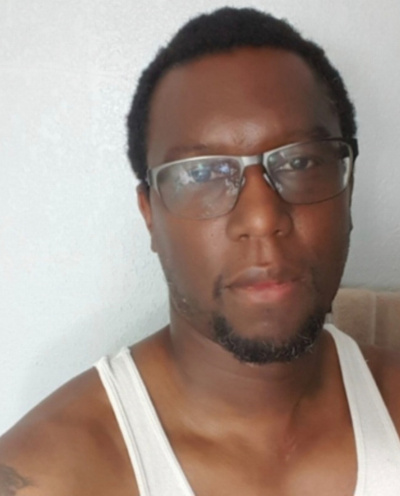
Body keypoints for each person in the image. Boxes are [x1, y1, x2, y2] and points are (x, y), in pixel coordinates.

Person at [1, 7, 400, 496]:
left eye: (299, 162)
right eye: (201, 173)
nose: (262, 218)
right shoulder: (46, 475)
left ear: (348, 188)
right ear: (150, 214)